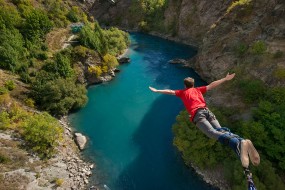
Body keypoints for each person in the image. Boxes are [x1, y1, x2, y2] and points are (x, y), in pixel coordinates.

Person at [149, 73, 260, 168]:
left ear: (185, 85)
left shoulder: (182, 92)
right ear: (193, 84)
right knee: (220, 131)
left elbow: (170, 91)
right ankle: (241, 141)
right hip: (207, 111)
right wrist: (225, 79)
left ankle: (238, 144)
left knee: (212, 133)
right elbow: (212, 85)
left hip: (198, 115)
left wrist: (157, 90)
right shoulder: (198, 90)